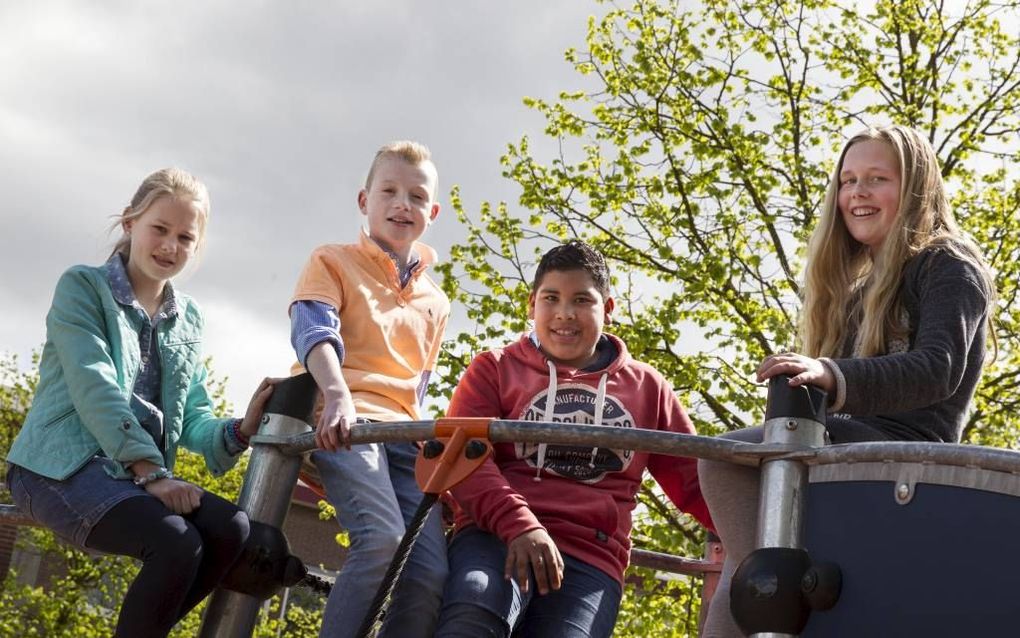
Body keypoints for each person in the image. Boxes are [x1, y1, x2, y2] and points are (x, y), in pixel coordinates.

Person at [697, 124, 996, 637]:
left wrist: (829, 374)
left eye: (877, 178)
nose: (857, 192)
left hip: (907, 456)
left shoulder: (948, 265)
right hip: (846, 449)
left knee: (727, 459)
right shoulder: (855, 289)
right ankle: (766, 581)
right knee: (739, 559)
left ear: (916, 188)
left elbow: (938, 367)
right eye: (848, 180)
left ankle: (770, 583)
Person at [5, 168, 277, 638]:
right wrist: (150, 472)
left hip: (130, 477)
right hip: (58, 469)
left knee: (232, 528)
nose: (171, 246)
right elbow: (95, 383)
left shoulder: (187, 317)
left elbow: (189, 415)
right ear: (130, 223)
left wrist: (240, 430)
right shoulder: (83, 288)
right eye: (160, 229)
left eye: (185, 237)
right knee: (174, 541)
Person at [433, 240, 714, 638]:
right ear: (532, 304)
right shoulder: (494, 368)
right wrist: (520, 526)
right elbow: (464, 459)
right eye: (552, 298)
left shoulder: (648, 388)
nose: (565, 313)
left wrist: (763, 536)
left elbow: (695, 484)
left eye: (582, 300)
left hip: (590, 555)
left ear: (609, 310)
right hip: (494, 534)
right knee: (473, 610)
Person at [289, 140, 450, 637]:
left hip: (404, 436)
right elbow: (313, 330)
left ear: (433, 211)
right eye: (390, 191)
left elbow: (417, 383)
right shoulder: (333, 261)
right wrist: (335, 394)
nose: (403, 204)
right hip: (348, 420)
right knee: (381, 539)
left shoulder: (435, 301)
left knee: (427, 572)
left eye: (417, 196)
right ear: (365, 201)